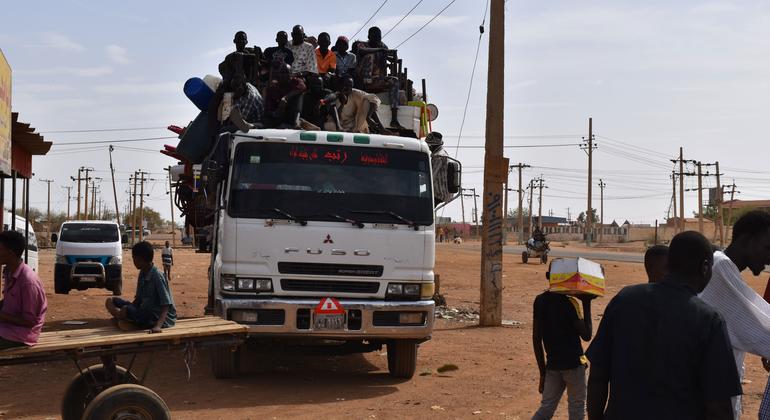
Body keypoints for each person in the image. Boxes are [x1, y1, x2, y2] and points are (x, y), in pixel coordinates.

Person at [586, 231, 741, 420]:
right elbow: (718, 406)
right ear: (705, 267)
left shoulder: (624, 300)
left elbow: (598, 375)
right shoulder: (709, 319)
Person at [698, 210, 770, 419]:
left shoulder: (722, 265)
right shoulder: (720, 267)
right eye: (767, 248)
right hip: (711, 396)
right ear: (746, 240)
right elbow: (757, 325)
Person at [532, 276, 595, 420]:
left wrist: (543, 372)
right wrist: (586, 303)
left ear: (548, 276)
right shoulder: (570, 303)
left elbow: (536, 338)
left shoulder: (540, 300)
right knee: (577, 408)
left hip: (553, 365)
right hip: (574, 364)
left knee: (546, 408)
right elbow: (586, 335)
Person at [105, 241, 177, 333]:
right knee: (111, 301)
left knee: (126, 310)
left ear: (140, 260)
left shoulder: (157, 276)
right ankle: (123, 317)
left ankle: (123, 318)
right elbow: (138, 299)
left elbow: (166, 305)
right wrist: (129, 309)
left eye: (134, 259)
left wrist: (158, 326)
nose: (134, 262)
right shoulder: (142, 273)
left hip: (157, 317)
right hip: (144, 310)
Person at [0, 231, 47, 350]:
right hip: (6, 328)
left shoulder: (28, 282)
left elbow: (30, 321)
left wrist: (2, 316)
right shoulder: (9, 272)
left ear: (10, 253)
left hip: (20, 335)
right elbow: (11, 303)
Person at [354, 26, 403, 129]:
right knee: (370, 55)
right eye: (375, 36)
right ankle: (367, 82)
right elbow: (362, 51)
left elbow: (394, 58)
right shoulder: (362, 44)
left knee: (394, 81)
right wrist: (380, 50)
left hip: (377, 80)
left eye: (379, 37)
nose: (377, 39)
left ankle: (394, 119)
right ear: (369, 36)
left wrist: (391, 55)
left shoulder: (382, 46)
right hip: (363, 80)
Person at [264, 63, 306, 129]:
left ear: (291, 74)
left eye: (287, 72)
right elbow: (268, 108)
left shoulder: (296, 81)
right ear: (278, 74)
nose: (284, 75)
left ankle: (296, 122)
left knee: (299, 95)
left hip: (291, 114)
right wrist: (277, 112)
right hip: (278, 115)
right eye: (282, 72)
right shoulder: (273, 87)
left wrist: (286, 98)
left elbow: (302, 87)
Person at [427, 132, 450, 205]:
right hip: (439, 193)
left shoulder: (438, 156)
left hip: (438, 194)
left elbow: (431, 176)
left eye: (429, 145)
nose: (428, 147)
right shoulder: (442, 153)